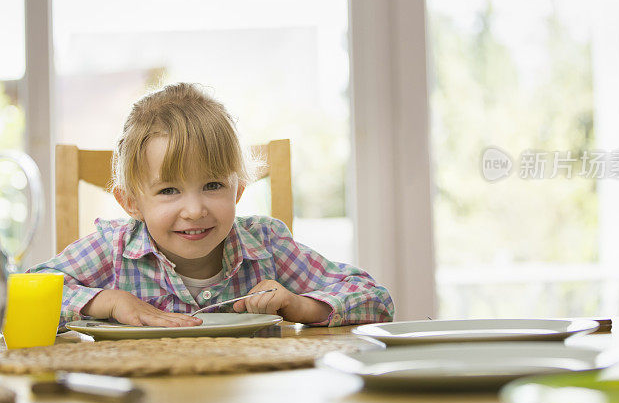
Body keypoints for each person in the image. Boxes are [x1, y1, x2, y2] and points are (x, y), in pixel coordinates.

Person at [29, 83, 394, 328]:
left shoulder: (267, 244)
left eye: (213, 185)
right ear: (131, 202)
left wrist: (299, 305)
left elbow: (375, 299)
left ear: (238, 189)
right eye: (169, 190)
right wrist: (107, 302)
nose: (195, 210)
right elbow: (22, 296)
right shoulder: (114, 250)